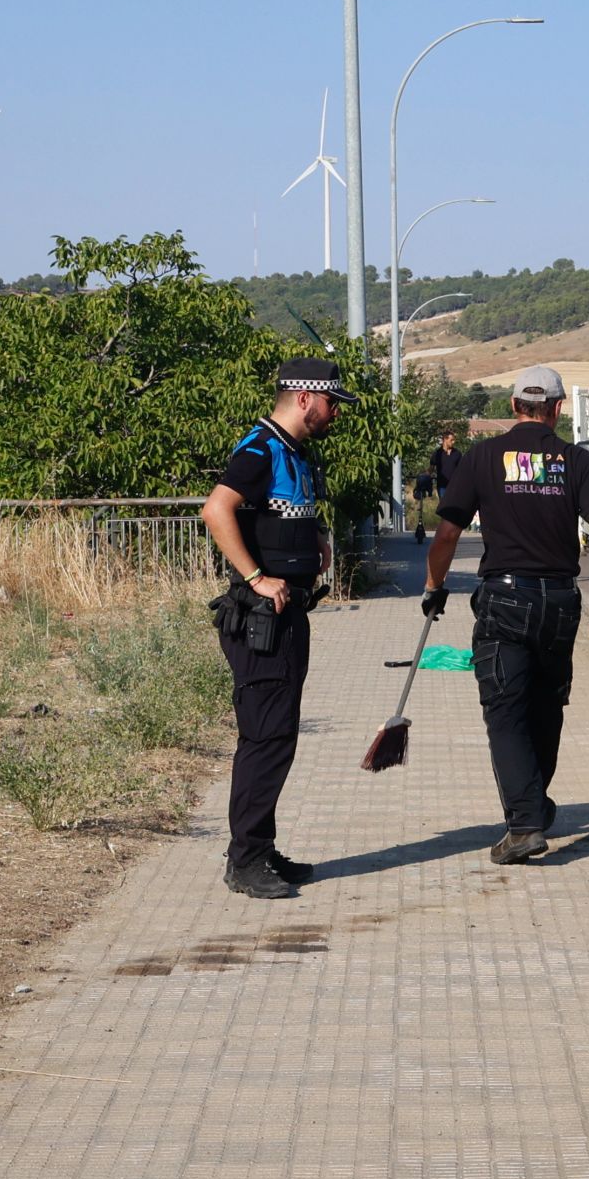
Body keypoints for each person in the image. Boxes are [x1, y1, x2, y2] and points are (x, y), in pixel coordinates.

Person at [422, 364, 589, 864]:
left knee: (505, 713)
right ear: (558, 409)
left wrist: (434, 587)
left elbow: (446, 535)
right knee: (546, 710)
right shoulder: (576, 462)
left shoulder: (480, 458)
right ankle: (534, 804)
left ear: (513, 405)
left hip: (505, 600)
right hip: (560, 604)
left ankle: (524, 825)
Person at [201, 357, 358, 897]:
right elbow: (216, 510)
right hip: (259, 619)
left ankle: (261, 851)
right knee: (264, 739)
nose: (335, 412)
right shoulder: (259, 448)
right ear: (304, 398)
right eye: (332, 402)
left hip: (289, 617)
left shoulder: (294, 453)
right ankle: (244, 862)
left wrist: (315, 537)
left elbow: (282, 512)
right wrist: (258, 576)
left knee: (278, 738)